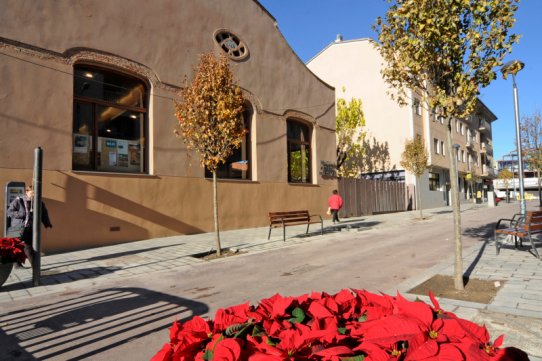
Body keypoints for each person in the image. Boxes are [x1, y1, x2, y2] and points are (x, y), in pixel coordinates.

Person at [7, 184, 53, 266]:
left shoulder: (39, 203)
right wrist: (23, 213)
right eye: (33, 193)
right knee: (18, 246)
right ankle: (19, 264)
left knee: (29, 246)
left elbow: (44, 214)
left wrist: (47, 223)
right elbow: (10, 212)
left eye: (36, 193)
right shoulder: (19, 200)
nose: (34, 195)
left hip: (31, 227)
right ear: (27, 192)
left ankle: (34, 266)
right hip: (19, 227)